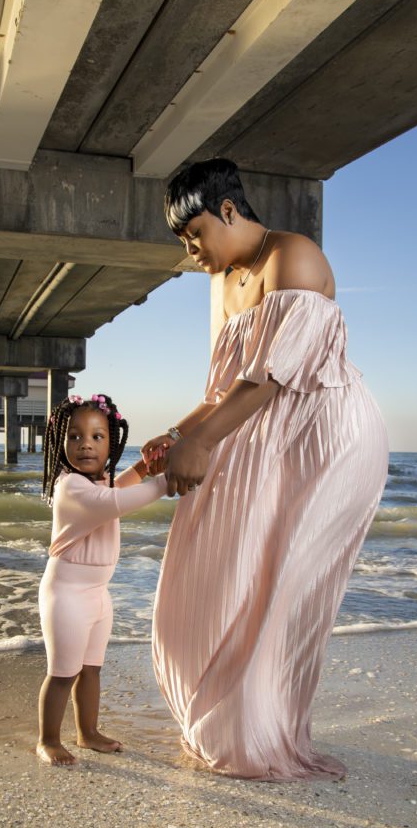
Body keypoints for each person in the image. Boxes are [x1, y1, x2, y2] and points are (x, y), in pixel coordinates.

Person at [143, 158, 388, 780]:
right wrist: (175, 434)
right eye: (181, 241)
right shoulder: (224, 284)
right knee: (229, 571)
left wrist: (202, 445)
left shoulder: (293, 256)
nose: (190, 249)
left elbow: (272, 378)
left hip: (327, 438)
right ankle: (236, 721)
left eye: (193, 232)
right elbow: (223, 388)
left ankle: (262, 730)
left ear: (229, 209)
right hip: (266, 435)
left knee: (278, 583)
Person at [37, 393, 166, 766]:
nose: (85, 445)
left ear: (112, 442)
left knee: (91, 669)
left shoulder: (100, 482)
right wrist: (166, 481)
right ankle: (47, 740)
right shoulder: (71, 487)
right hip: (66, 594)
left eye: (97, 437)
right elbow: (115, 503)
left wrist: (144, 470)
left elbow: (116, 489)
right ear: (60, 442)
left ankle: (87, 732)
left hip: (97, 593)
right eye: (74, 437)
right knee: (63, 672)